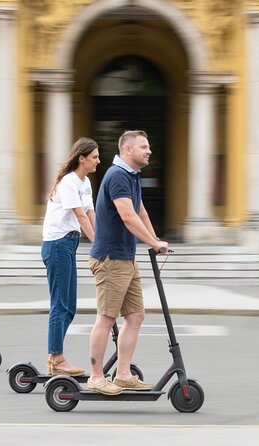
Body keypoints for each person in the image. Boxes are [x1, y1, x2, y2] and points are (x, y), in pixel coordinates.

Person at [86, 130, 169, 395]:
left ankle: (123, 374)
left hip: (126, 258)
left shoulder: (132, 175)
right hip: (111, 258)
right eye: (144, 147)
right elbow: (127, 216)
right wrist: (153, 244)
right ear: (128, 150)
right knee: (107, 319)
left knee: (135, 316)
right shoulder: (118, 175)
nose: (149, 151)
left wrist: (155, 238)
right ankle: (96, 377)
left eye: (149, 147)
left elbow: (140, 210)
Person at [42, 137, 100, 376]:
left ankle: (55, 357)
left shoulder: (84, 182)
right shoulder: (68, 182)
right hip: (57, 244)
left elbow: (91, 214)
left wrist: (103, 241)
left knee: (70, 306)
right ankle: (56, 358)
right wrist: (97, 245)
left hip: (68, 245)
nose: (98, 161)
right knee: (60, 304)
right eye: (95, 157)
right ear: (82, 158)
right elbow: (80, 217)